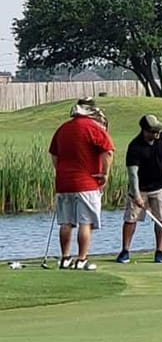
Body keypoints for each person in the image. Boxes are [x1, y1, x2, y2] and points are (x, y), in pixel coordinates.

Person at [48, 97, 115, 270]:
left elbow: (54, 155)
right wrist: (105, 174)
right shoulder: (93, 128)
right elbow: (108, 152)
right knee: (86, 222)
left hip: (64, 183)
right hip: (87, 182)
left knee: (66, 223)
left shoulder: (63, 128)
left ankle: (65, 258)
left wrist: (61, 171)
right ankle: (81, 259)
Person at [116, 114, 162, 264]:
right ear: (145, 131)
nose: (157, 133)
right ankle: (125, 251)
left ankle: (159, 251)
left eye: (158, 130)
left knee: (161, 219)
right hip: (140, 188)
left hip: (160, 186)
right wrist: (136, 195)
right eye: (154, 131)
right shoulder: (135, 146)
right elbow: (133, 174)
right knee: (131, 219)